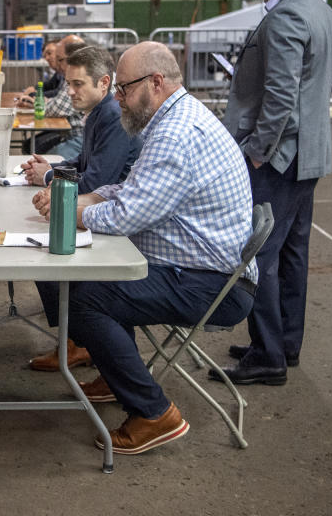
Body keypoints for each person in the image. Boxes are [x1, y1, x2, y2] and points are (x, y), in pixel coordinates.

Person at [37, 41, 256, 455]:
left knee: (84, 297)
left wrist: (71, 213)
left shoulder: (176, 134)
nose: (117, 98)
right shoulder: (172, 120)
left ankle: (154, 413)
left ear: (155, 83)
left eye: (123, 89)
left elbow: (127, 216)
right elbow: (132, 189)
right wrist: (84, 199)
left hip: (210, 284)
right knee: (98, 280)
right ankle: (115, 374)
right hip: (200, 268)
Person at [216, 0, 332, 386]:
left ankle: (267, 355)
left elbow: (281, 99)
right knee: (292, 255)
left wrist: (255, 153)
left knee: (259, 256)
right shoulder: (324, 11)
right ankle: (284, 344)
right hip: (310, 156)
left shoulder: (287, 15)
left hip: (280, 158)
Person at [20, 45, 141, 372]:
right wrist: (50, 169)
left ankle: (81, 342)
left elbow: (96, 181)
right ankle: (79, 340)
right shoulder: (98, 112)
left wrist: (47, 176)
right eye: (68, 83)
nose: (69, 91)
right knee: (42, 254)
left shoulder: (113, 117)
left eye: (77, 85)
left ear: (104, 83)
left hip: (116, 224)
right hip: (99, 209)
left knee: (46, 259)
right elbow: (82, 163)